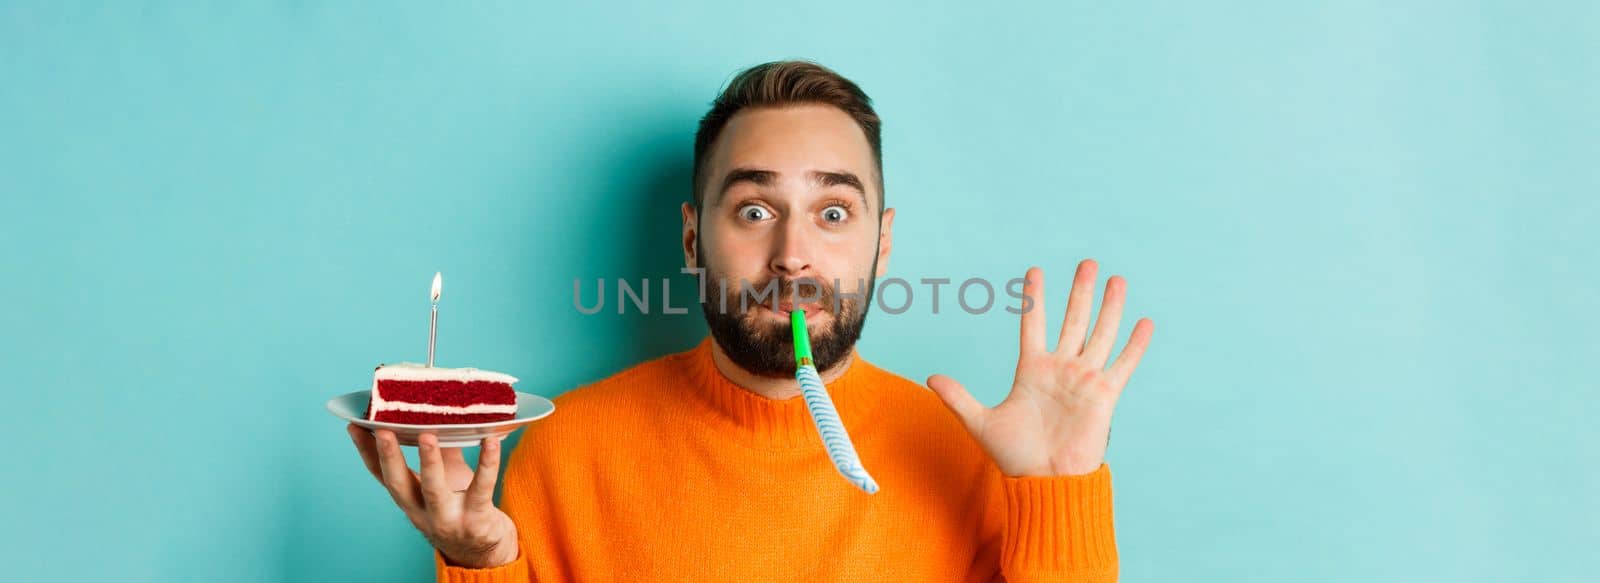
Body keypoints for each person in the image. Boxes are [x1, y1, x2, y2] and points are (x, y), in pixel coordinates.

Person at [347, 60, 1154, 582]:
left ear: (884, 241)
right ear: (694, 237)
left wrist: (1057, 496)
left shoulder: (972, 462)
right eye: (756, 208)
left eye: (834, 211)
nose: (793, 254)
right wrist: (478, 558)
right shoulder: (567, 451)